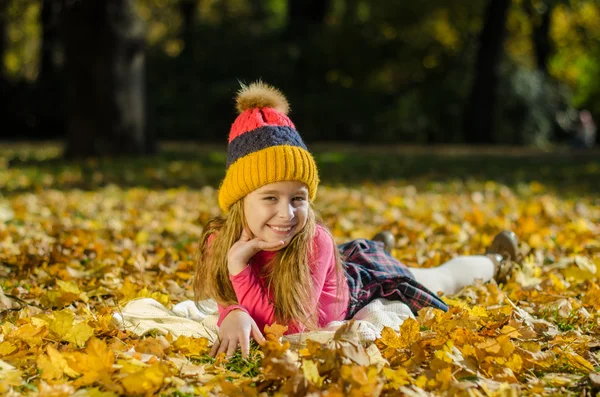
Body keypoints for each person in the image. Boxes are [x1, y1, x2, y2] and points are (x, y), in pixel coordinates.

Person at [193, 81, 519, 358]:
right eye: (269, 198)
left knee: (437, 279)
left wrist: (239, 270)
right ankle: (378, 246)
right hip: (337, 268)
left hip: (359, 287)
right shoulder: (219, 241)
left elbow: (288, 329)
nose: (286, 213)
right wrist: (232, 312)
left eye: (298, 198)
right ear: (239, 200)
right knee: (367, 255)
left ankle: (495, 260)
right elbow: (227, 296)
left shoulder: (313, 239)